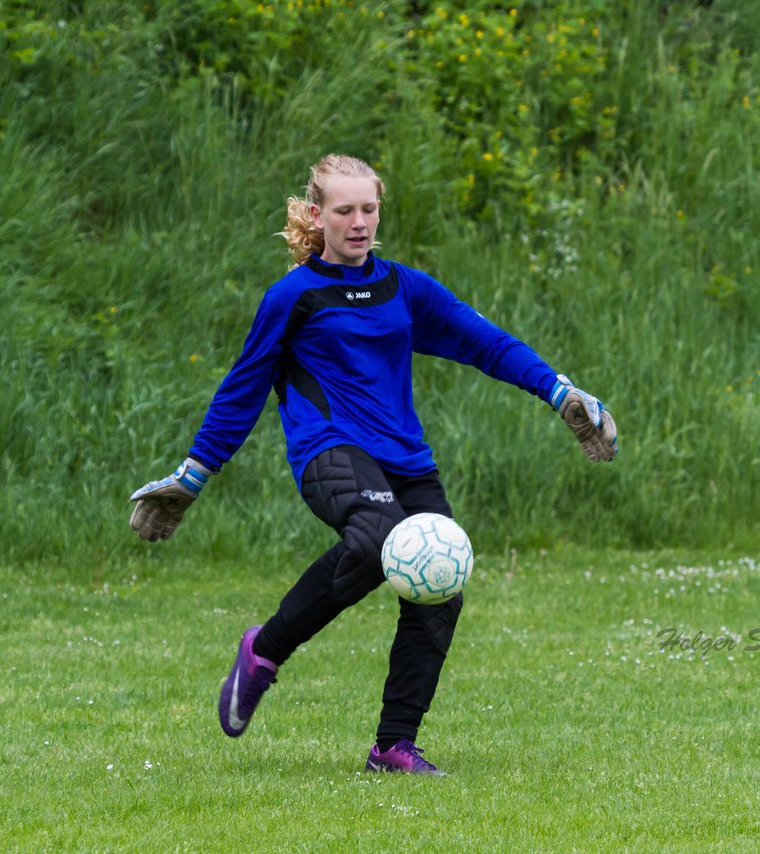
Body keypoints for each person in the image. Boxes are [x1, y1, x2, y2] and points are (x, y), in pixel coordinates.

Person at [128, 154, 616, 775]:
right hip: (328, 450)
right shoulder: (292, 298)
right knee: (374, 540)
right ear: (316, 215)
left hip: (406, 461)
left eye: (368, 209)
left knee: (442, 581)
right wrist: (193, 476)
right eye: (344, 210)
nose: (358, 222)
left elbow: (483, 341)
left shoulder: (403, 288)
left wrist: (560, 392)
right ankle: (264, 652)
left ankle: (393, 746)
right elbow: (242, 388)